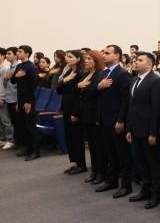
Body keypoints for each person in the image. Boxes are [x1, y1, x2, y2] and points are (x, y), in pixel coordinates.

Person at [126, 52, 160, 209]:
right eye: (135, 60)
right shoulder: (134, 80)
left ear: (149, 64)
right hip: (136, 128)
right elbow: (131, 106)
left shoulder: (156, 81)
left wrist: (153, 133)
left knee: (153, 164)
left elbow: (157, 109)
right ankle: (145, 189)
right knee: (141, 162)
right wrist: (129, 128)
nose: (135, 62)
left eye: (140, 60)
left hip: (149, 130)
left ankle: (156, 194)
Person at [94, 45, 133, 196]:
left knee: (122, 154)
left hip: (116, 120)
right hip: (104, 119)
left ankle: (126, 185)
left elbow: (126, 100)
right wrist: (99, 86)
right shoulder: (103, 73)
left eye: (107, 53)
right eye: (103, 53)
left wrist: (121, 120)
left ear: (117, 56)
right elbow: (93, 93)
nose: (103, 55)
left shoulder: (122, 74)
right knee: (110, 153)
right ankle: (111, 181)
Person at [57, 50, 87, 175]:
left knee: (77, 138)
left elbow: (79, 95)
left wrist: (75, 113)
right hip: (66, 108)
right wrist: (65, 80)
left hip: (75, 110)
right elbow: (58, 90)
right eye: (66, 57)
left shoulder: (81, 73)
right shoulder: (69, 71)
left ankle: (81, 164)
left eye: (70, 57)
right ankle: (75, 163)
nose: (67, 59)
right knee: (69, 137)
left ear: (78, 59)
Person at [79, 50, 106, 184]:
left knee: (98, 145)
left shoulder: (100, 74)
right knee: (91, 145)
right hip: (86, 113)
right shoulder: (86, 74)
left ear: (96, 61)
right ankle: (94, 171)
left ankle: (101, 172)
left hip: (95, 114)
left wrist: (83, 87)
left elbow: (94, 92)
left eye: (90, 59)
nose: (86, 61)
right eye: (85, 59)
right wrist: (79, 86)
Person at [11, 45, 41, 161]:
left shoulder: (31, 67)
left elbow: (33, 87)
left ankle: (36, 151)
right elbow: (13, 81)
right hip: (20, 99)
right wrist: (17, 76)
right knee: (23, 125)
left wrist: (28, 102)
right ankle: (27, 148)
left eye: (20, 51)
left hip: (29, 100)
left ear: (27, 54)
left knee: (30, 126)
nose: (17, 53)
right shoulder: (19, 66)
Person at [3, 47, 20, 150]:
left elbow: (19, 86)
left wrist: (18, 100)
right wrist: (5, 79)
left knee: (18, 122)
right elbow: (6, 85)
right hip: (9, 98)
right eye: (6, 54)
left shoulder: (18, 67)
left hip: (15, 98)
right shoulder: (10, 67)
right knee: (13, 121)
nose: (7, 56)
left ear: (15, 55)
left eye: (9, 54)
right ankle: (16, 141)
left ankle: (18, 142)